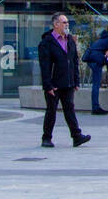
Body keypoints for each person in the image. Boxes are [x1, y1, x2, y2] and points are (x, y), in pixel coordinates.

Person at [37, 13, 92, 149]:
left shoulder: (70, 41)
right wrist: (47, 84)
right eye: (64, 22)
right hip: (54, 84)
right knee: (51, 110)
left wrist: (76, 81)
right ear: (56, 24)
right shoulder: (47, 43)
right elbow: (45, 66)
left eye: (67, 22)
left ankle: (76, 136)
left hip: (68, 83)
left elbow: (74, 62)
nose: (67, 24)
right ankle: (46, 137)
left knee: (70, 110)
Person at [81, 27, 108, 115]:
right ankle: (95, 107)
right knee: (96, 84)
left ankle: (95, 106)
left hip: (91, 59)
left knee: (95, 83)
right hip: (97, 61)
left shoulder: (101, 40)